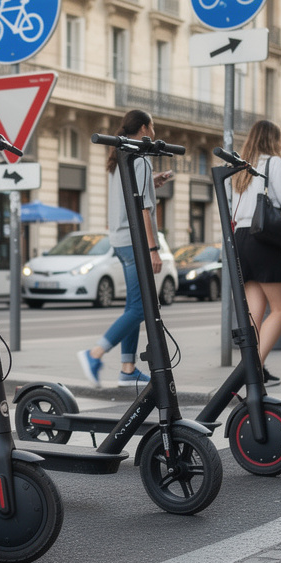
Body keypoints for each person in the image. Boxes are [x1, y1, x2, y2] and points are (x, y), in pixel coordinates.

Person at [77, 109, 174, 388]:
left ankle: (128, 368)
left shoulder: (120, 158)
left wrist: (154, 183)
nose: (154, 132)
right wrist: (153, 248)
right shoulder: (140, 160)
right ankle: (94, 354)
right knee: (140, 309)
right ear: (144, 128)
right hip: (135, 242)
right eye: (153, 126)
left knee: (136, 305)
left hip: (119, 240)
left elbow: (130, 194)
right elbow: (144, 208)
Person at [222, 119, 281, 387]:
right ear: (273, 140)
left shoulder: (240, 167)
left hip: (241, 238)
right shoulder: (273, 163)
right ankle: (252, 371)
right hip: (264, 238)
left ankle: (257, 369)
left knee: (255, 312)